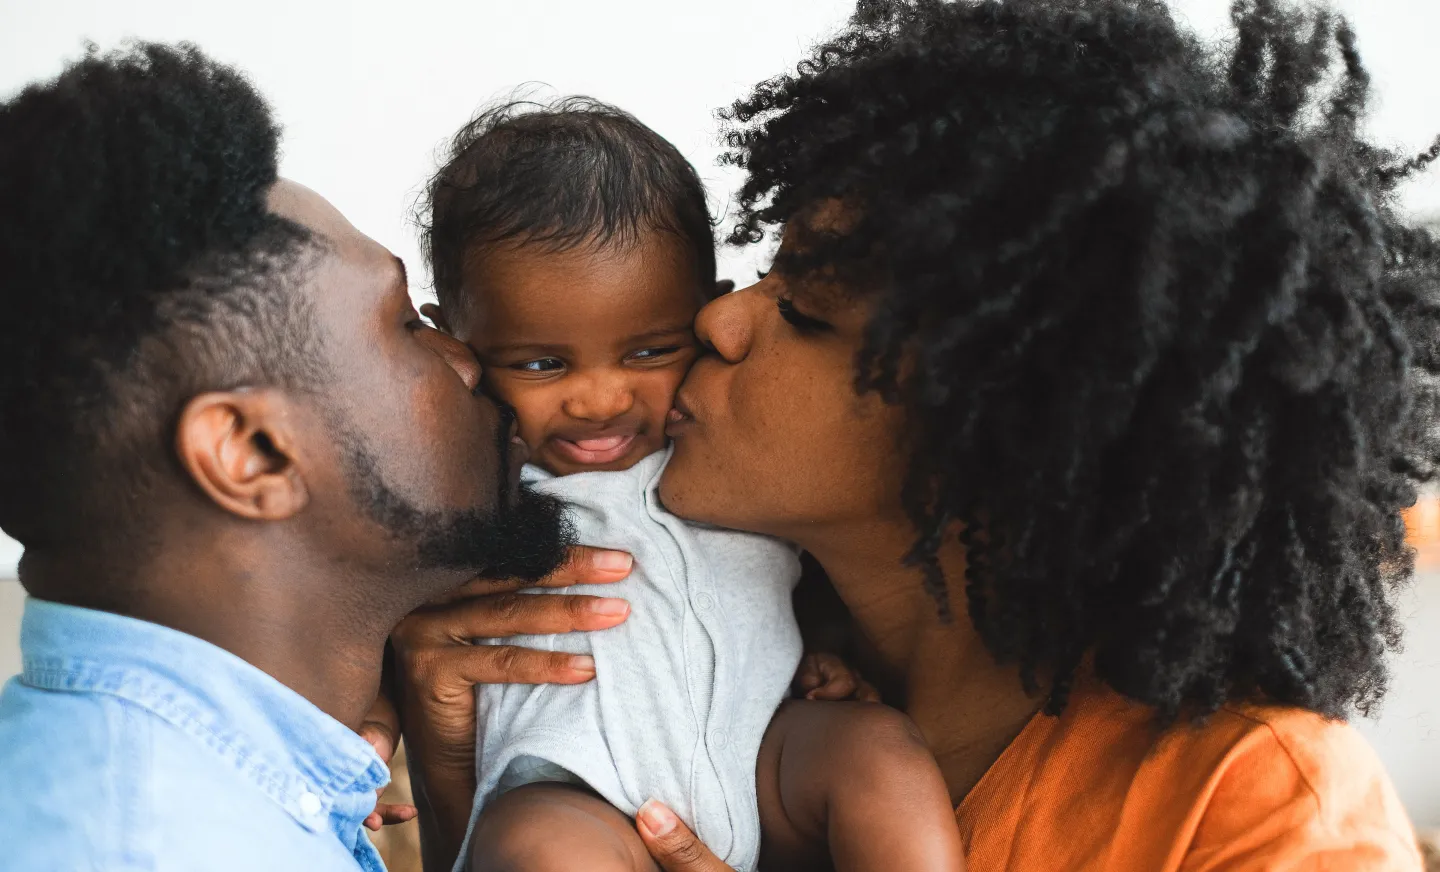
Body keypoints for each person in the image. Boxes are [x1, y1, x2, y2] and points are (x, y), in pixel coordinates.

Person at [391, 1, 1437, 869]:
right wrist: (463, 779)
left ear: (992, 421)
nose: (719, 319)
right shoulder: (689, 643)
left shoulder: (1256, 801)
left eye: (806, 311)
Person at [0, 42, 612, 871]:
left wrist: (454, 794)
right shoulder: (143, 846)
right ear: (252, 453)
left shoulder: (200, 800)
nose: (471, 360)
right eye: (405, 324)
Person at [415, 98, 965, 872]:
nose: (601, 399)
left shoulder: (728, 458)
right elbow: (377, 598)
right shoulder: (476, 476)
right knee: (539, 848)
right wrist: (372, 711)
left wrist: (822, 652)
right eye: (542, 364)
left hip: (761, 756)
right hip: (575, 786)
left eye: (648, 351)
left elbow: (794, 576)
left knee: (879, 753)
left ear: (703, 313)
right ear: (455, 349)